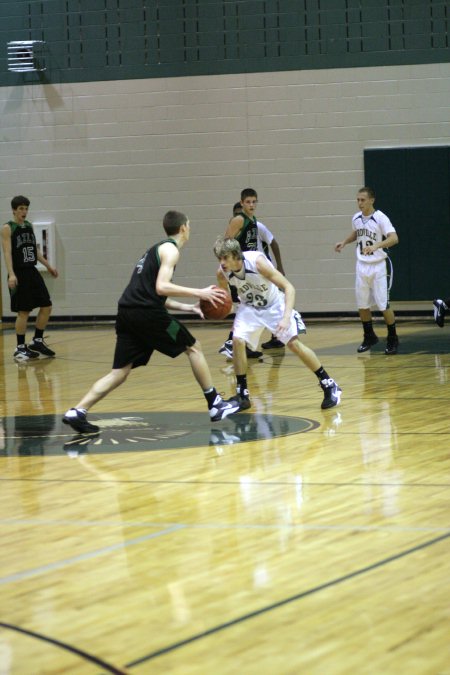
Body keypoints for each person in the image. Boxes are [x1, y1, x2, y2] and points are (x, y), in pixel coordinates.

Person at [62, 211, 241, 434]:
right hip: (146, 314)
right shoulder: (171, 250)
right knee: (193, 347)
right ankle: (215, 404)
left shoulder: (155, 250)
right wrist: (201, 293)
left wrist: (189, 307)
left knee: (120, 372)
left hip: (128, 311)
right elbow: (161, 287)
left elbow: (155, 294)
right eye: (190, 225)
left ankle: (78, 411)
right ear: (184, 228)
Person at [213, 237, 342, 410]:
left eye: (225, 258)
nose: (222, 263)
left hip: (274, 305)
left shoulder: (257, 263)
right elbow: (226, 300)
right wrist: (218, 306)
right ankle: (242, 394)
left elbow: (289, 287)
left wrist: (286, 317)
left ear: (236, 255)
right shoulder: (222, 273)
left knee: (293, 344)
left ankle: (329, 383)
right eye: (219, 258)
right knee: (237, 340)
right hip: (250, 307)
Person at [219, 190, 287, 358]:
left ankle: (242, 345)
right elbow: (226, 242)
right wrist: (226, 264)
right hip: (239, 267)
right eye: (248, 202)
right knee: (249, 305)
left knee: (252, 304)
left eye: (254, 202)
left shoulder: (253, 220)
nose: (251, 205)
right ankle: (231, 343)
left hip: (250, 266)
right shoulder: (239, 219)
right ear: (242, 203)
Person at [335, 187, 399, 355]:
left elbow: (394, 238)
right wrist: (344, 242)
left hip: (378, 266)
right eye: (357, 200)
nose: (359, 203)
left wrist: (377, 245)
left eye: (362, 200)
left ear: (372, 200)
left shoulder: (380, 218)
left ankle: (393, 338)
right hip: (362, 265)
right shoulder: (356, 218)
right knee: (362, 305)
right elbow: (357, 233)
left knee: (383, 304)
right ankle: (369, 336)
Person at [1, 196, 58, 362]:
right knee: (24, 311)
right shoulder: (7, 228)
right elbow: (7, 252)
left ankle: (37, 341)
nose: (24, 212)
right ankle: (20, 349)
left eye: (26, 208)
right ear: (14, 210)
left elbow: (35, 250)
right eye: (21, 209)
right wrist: (11, 274)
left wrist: (48, 266)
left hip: (32, 271)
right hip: (18, 272)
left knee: (46, 305)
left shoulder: (28, 226)